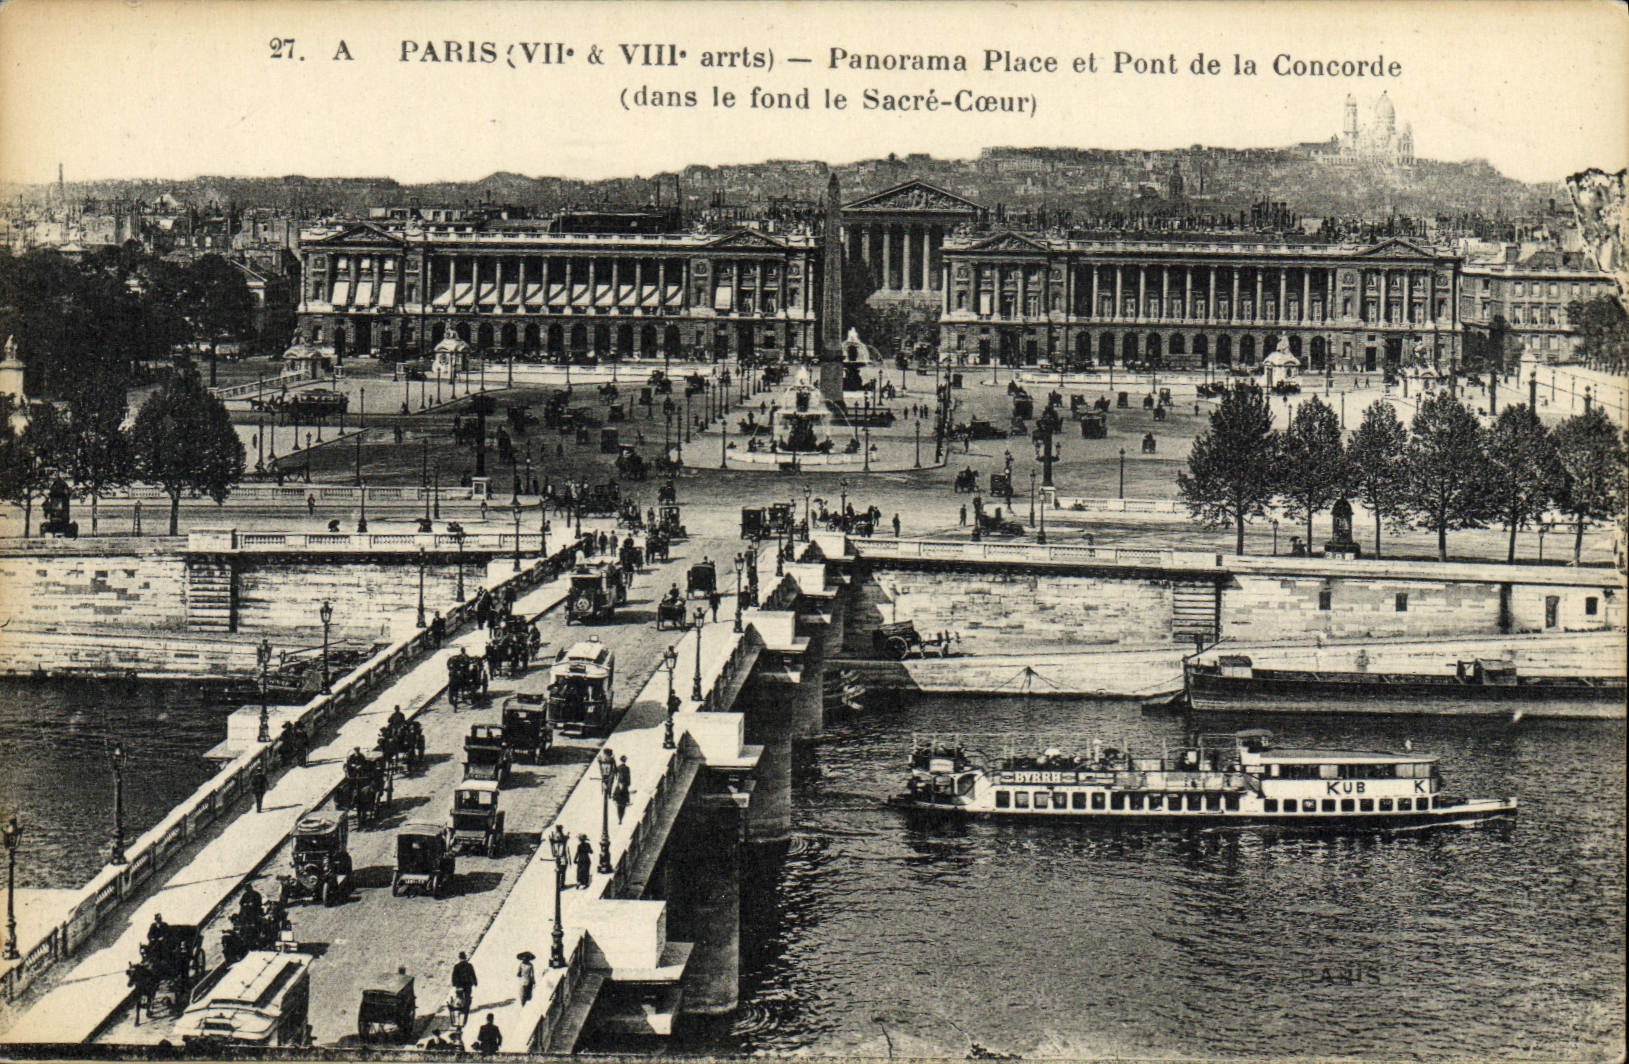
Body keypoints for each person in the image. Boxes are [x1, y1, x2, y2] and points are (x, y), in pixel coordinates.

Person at [451, 952, 478, 1027]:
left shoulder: (457, 966)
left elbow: (454, 976)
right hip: (468, 984)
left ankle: (461, 1008)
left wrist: (454, 984)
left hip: (460, 985)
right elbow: (473, 974)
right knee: (467, 997)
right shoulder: (469, 965)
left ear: (459, 958)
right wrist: (475, 982)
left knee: (460, 997)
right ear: (465, 958)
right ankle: (466, 1008)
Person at [613, 755, 632, 824]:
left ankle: (620, 818)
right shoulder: (627, 768)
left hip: (620, 785)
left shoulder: (619, 767)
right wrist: (628, 784)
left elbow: (614, 771)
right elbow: (628, 777)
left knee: (619, 805)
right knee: (623, 805)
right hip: (624, 786)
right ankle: (620, 819)